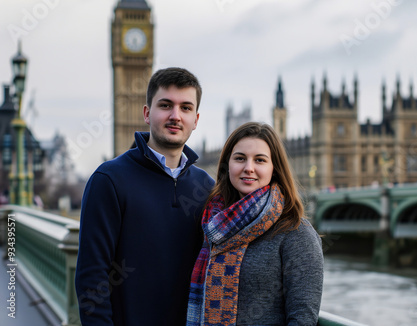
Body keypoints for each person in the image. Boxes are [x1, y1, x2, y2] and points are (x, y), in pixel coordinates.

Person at [75, 67, 214, 325]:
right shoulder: (109, 180)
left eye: (185, 108)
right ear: (147, 113)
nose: (175, 116)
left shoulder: (206, 186)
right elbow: (92, 278)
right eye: (165, 105)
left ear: (195, 120)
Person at [187, 122, 324, 326]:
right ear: (227, 165)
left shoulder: (296, 232)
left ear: (274, 169)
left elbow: (302, 318)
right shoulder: (211, 225)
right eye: (240, 158)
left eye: (260, 160)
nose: (248, 168)